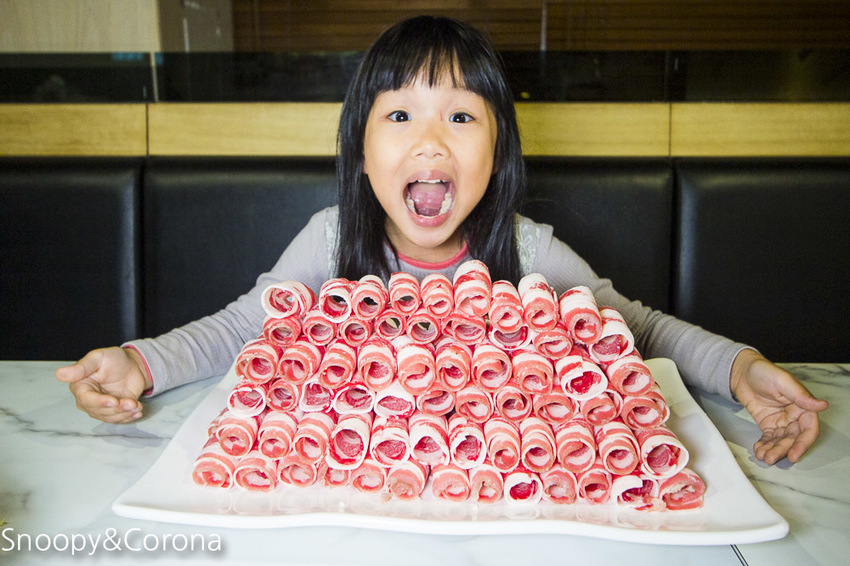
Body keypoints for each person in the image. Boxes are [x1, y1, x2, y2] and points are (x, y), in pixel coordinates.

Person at [56, 15, 827, 466]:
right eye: (398, 116)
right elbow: (242, 327)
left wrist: (742, 369)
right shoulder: (330, 241)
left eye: (461, 116)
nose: (430, 140)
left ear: (498, 154)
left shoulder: (529, 253)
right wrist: (138, 362)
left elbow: (641, 327)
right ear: (360, 150)